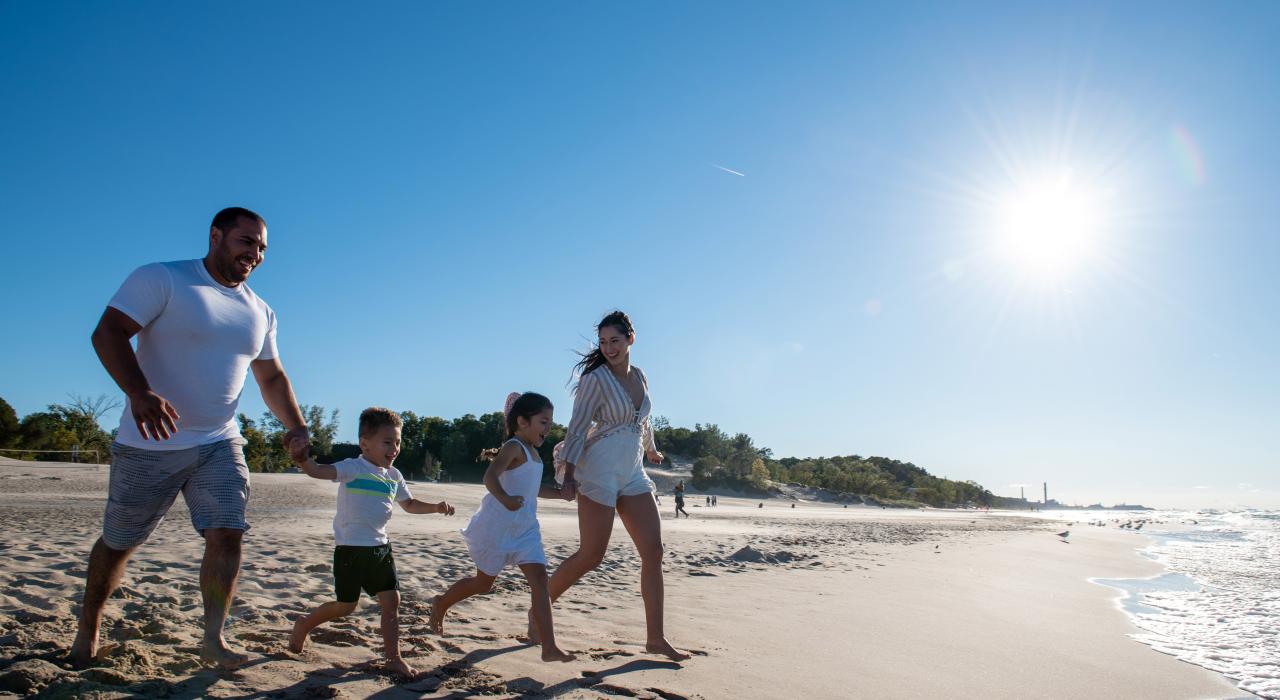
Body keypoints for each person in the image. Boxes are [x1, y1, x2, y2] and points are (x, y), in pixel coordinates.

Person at [70, 207, 310, 670]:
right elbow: (108, 333)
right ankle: (89, 627)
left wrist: (296, 426)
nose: (255, 254)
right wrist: (139, 393)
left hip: (219, 442)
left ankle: (213, 639)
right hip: (148, 444)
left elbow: (271, 376)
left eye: (262, 248)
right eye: (246, 242)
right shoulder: (162, 279)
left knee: (227, 533)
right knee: (119, 543)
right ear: (216, 235)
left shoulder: (260, 311)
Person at [542, 311, 688, 660]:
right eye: (604, 342)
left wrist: (651, 450)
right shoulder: (595, 379)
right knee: (591, 555)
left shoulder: (640, 375)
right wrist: (571, 474)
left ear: (630, 340)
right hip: (599, 469)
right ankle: (539, 611)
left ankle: (656, 638)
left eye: (615, 341)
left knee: (653, 551)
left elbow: (643, 418)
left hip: (634, 471)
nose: (609, 348)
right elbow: (577, 427)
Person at [287, 408, 455, 677]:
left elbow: (409, 505)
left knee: (392, 601)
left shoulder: (394, 476)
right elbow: (318, 471)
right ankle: (304, 625)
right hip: (351, 551)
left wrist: (435, 507)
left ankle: (393, 658)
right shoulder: (353, 468)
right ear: (365, 444)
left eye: (398, 442)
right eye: (387, 442)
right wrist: (302, 459)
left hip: (380, 548)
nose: (395, 448)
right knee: (345, 607)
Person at [428, 393, 575, 662]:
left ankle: (549, 646)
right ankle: (441, 604)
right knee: (483, 584)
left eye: (551, 422)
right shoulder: (514, 447)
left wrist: (561, 494)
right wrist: (505, 499)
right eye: (544, 422)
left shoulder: (533, 453)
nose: (548, 428)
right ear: (522, 421)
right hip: (498, 526)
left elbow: (533, 489)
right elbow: (489, 476)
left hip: (526, 529)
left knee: (540, 581)